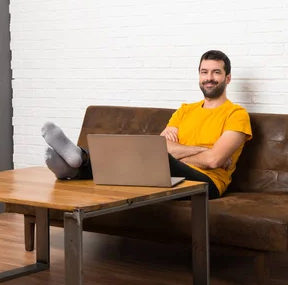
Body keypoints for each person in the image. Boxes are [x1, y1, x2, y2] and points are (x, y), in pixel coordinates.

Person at [41, 50, 252, 198]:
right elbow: (160, 148)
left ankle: (79, 163)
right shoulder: (185, 110)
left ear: (228, 78)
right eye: (204, 72)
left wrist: (176, 154)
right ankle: (77, 163)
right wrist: (202, 151)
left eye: (216, 72)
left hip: (209, 183)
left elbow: (214, 161)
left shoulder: (236, 114)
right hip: (170, 171)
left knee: (155, 160)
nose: (209, 78)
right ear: (199, 76)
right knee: (144, 155)